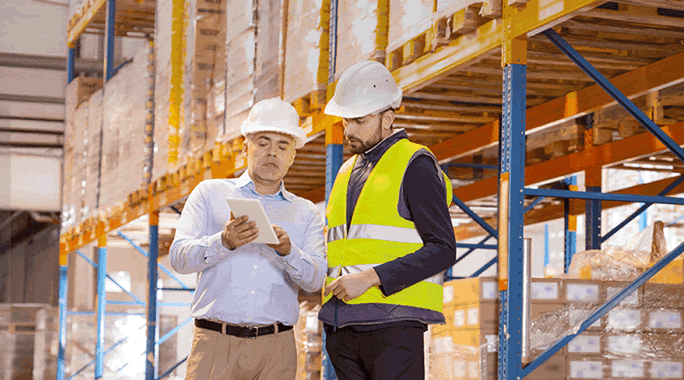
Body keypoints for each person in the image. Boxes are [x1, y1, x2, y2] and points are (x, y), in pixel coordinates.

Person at [169, 98, 327, 380]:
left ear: (293, 155)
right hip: (215, 343)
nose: (272, 153)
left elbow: (315, 280)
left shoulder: (306, 212)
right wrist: (223, 242)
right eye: (263, 143)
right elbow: (179, 258)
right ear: (245, 148)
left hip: (276, 349)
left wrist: (288, 252)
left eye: (282, 146)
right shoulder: (210, 194)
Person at [319, 60, 457, 380]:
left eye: (359, 120)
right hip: (341, 328)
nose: (349, 130)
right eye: (345, 121)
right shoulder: (345, 171)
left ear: (388, 118)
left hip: (392, 327)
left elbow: (442, 249)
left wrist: (371, 277)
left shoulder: (415, 163)